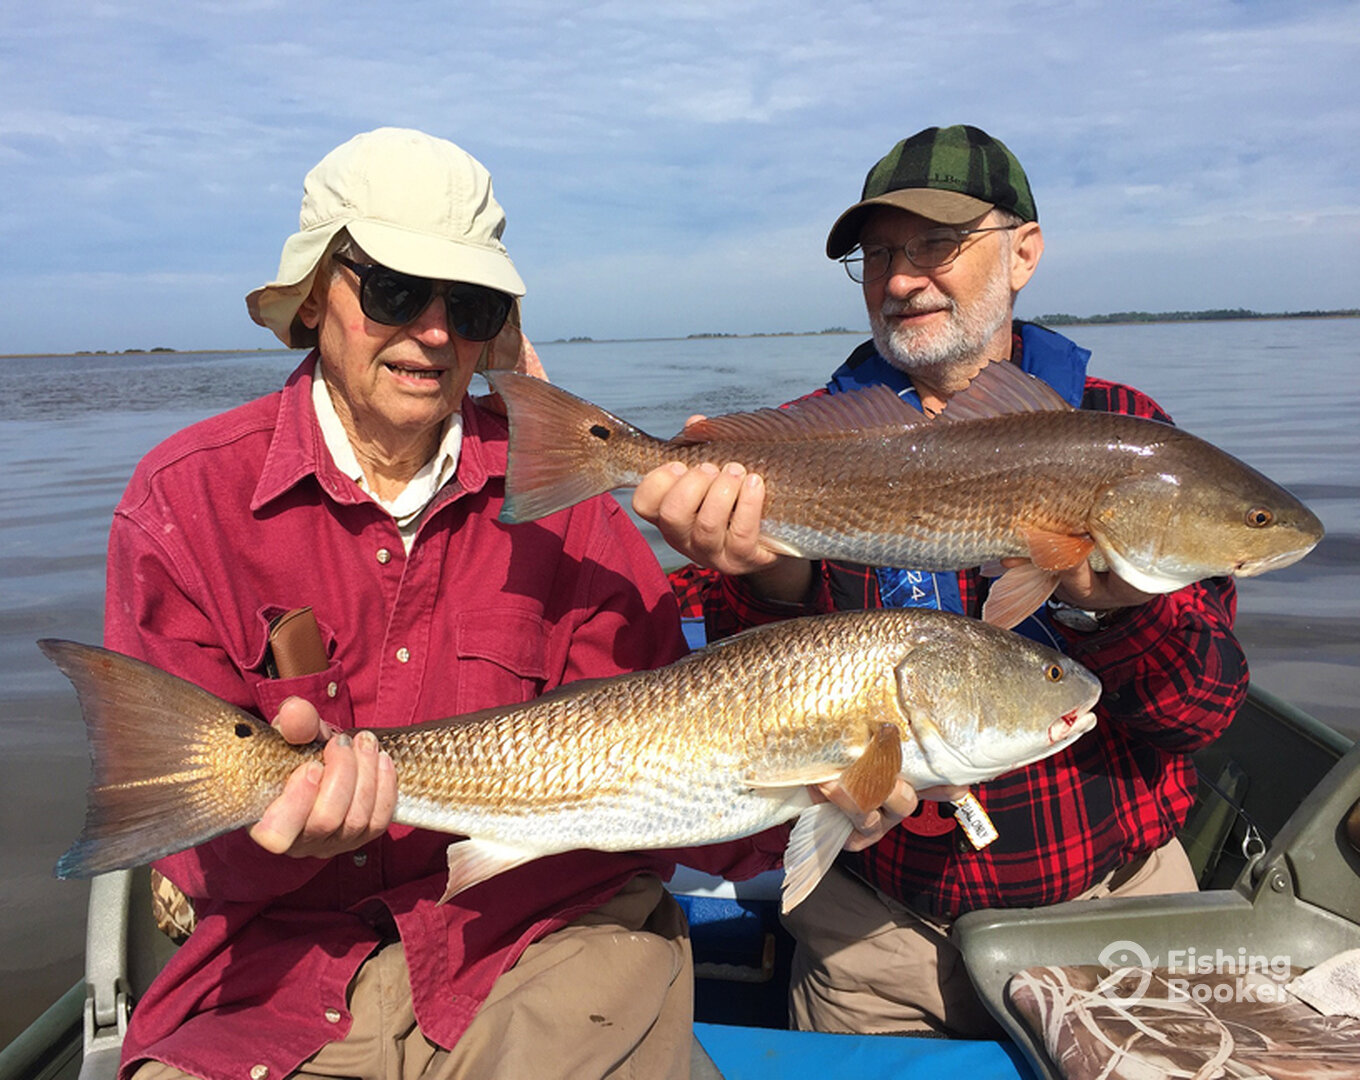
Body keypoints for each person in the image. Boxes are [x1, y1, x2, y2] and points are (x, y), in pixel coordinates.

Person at [104, 128, 901, 1080]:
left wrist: (833, 785)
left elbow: (702, 809)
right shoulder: (182, 503)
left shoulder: (576, 520)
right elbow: (179, 835)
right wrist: (279, 837)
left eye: (472, 303)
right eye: (396, 291)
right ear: (316, 294)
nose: (435, 331)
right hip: (277, 986)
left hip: (548, 952)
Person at [634, 124, 1248, 1037]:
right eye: (878, 253)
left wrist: (1099, 615)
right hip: (873, 939)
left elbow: (1203, 709)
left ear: (1024, 251)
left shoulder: (1127, 434)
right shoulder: (800, 441)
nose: (900, 277)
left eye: (936, 244)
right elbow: (729, 716)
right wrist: (770, 584)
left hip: (1114, 917)